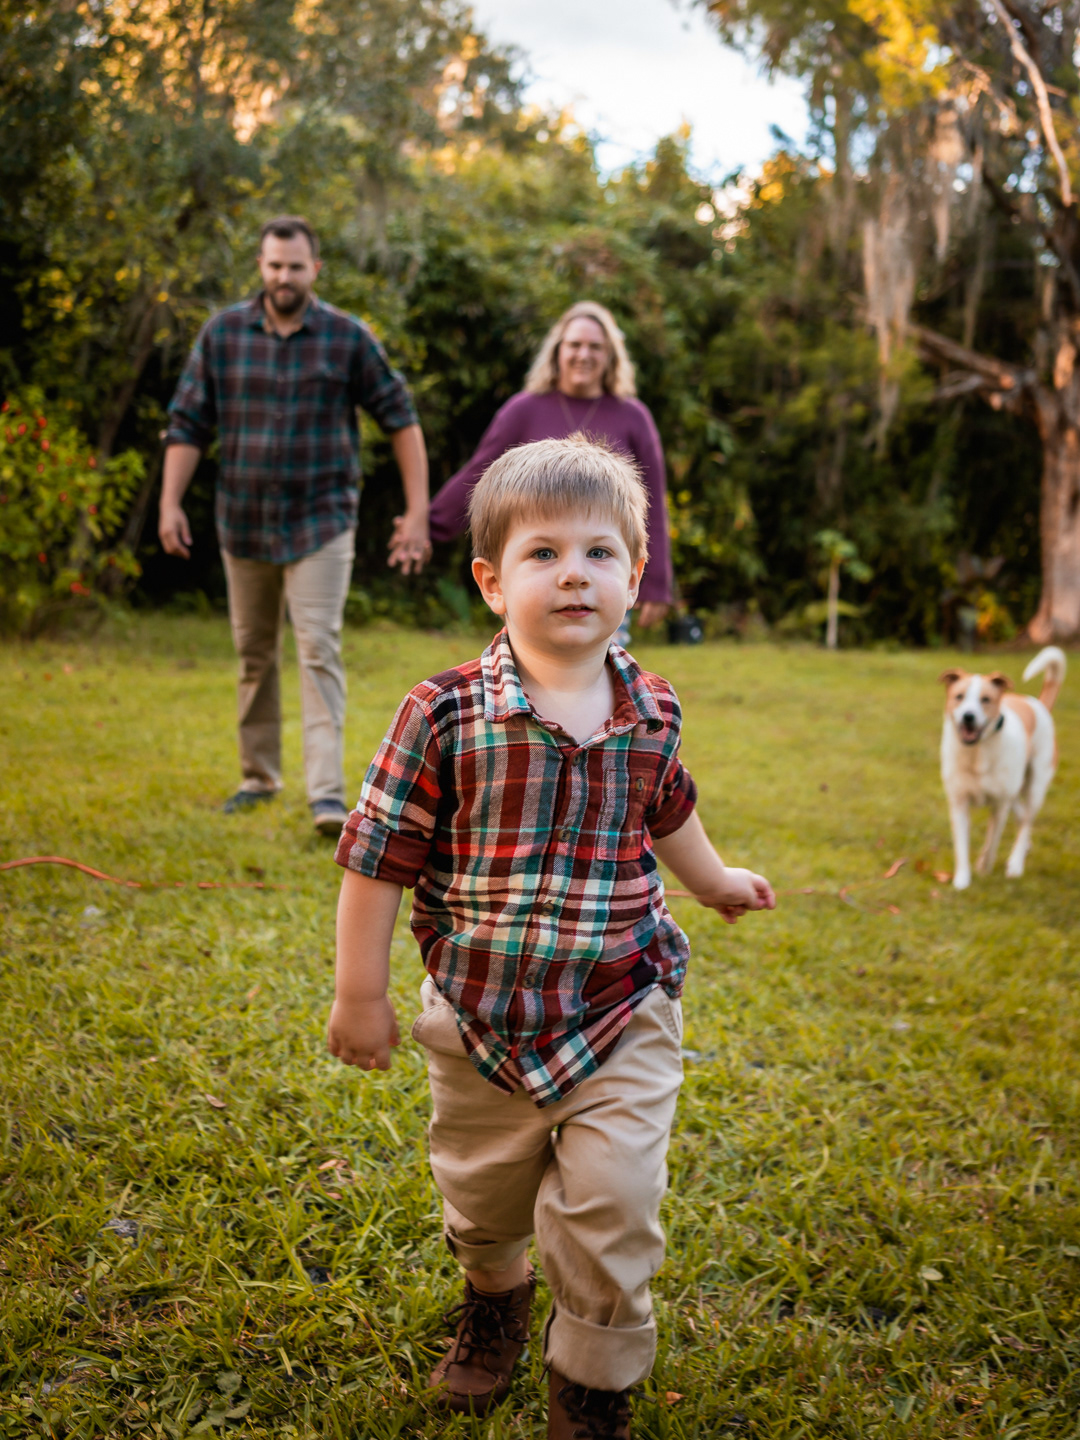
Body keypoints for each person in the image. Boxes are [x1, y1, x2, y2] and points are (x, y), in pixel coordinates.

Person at [328, 436, 774, 1438]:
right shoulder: (441, 715)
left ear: (636, 576)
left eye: (600, 553)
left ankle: (592, 1385)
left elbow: (667, 809)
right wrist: (361, 993)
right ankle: (496, 1296)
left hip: (624, 1003)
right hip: (480, 1019)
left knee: (615, 1202)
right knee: (482, 1201)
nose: (574, 572)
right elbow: (377, 858)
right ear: (492, 581)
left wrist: (712, 881)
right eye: (543, 554)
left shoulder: (653, 707)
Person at [160, 215, 431, 835]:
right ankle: (258, 778)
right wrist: (169, 503)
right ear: (261, 266)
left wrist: (416, 509)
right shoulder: (223, 334)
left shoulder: (347, 338)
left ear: (316, 269)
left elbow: (400, 417)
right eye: (274, 265)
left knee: (317, 648)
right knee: (254, 653)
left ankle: (327, 798)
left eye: (295, 266)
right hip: (244, 522)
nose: (284, 276)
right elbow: (188, 424)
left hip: (321, 521)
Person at [424, 301, 673, 642]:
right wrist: (424, 526)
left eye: (595, 347)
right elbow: (478, 476)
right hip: (539, 574)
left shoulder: (633, 416)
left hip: (599, 572)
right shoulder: (524, 409)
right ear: (557, 352)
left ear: (611, 356)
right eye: (574, 345)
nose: (583, 354)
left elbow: (652, 505)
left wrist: (656, 583)